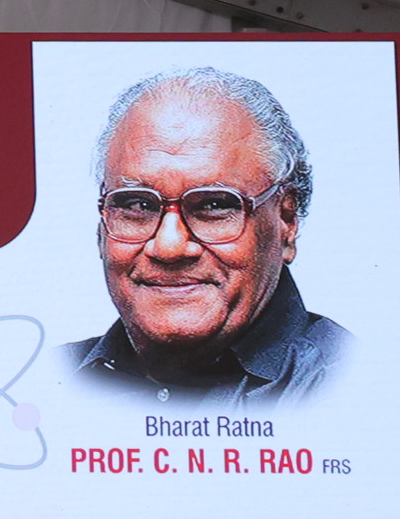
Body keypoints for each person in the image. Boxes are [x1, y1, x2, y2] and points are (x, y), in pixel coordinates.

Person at [61, 68, 351, 404]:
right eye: (137, 204)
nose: (169, 247)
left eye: (213, 205)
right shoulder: (44, 382)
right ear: (101, 227)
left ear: (286, 220)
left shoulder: (358, 391)